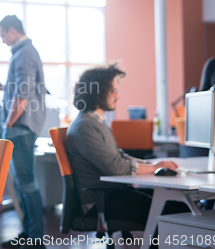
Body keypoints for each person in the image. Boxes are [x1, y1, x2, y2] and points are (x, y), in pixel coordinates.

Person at [65, 62, 188, 238]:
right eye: (114, 91)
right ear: (99, 92)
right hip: (100, 202)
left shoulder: (95, 122)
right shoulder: (85, 127)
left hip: (113, 193)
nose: (118, 96)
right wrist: (154, 168)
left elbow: (120, 157)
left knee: (179, 206)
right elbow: (115, 167)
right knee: (172, 214)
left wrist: (153, 164)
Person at [0, 15, 47, 249]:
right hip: (22, 127)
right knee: (23, 184)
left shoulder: (24, 54)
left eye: (3, 35)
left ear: (12, 31)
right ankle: (29, 233)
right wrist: (3, 87)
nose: (3, 41)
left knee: (27, 184)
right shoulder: (24, 54)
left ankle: (36, 239)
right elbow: (22, 89)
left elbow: (23, 96)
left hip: (20, 128)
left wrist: (9, 124)